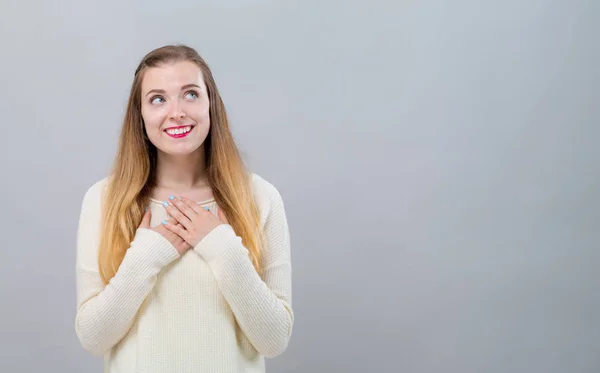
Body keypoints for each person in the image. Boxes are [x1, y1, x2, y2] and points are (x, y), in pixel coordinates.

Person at [74, 44, 293, 373]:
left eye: (190, 94)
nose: (176, 112)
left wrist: (222, 246)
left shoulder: (260, 197)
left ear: (210, 104)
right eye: (158, 99)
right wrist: (146, 255)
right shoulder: (104, 199)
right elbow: (92, 338)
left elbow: (274, 340)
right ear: (141, 114)